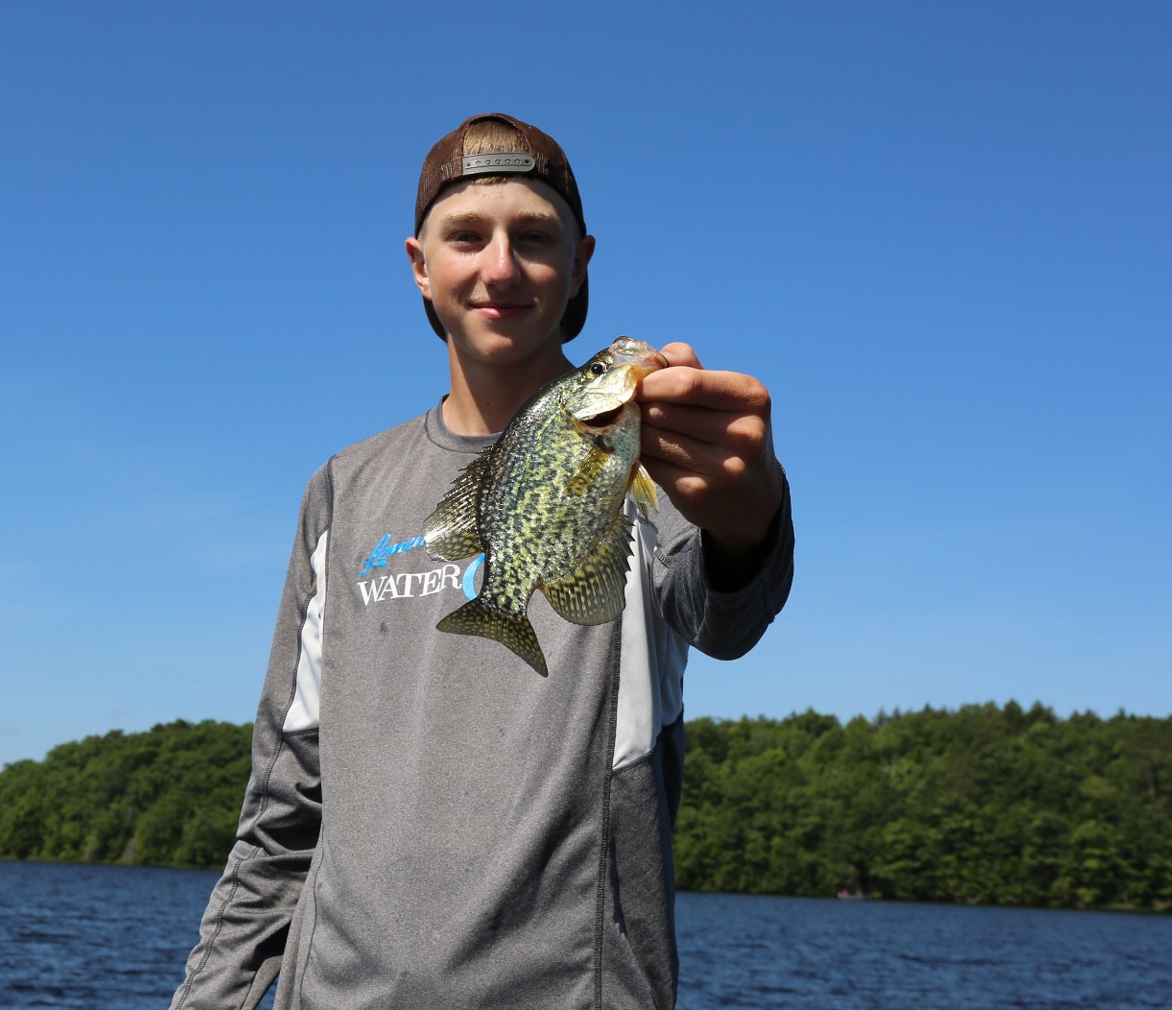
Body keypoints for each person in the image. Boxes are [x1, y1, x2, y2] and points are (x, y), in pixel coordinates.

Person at [168, 113, 794, 1010]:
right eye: (468, 236)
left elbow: (724, 615)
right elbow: (284, 800)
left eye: (534, 239)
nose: (500, 267)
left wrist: (749, 517)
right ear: (421, 265)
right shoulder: (345, 488)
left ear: (580, 263)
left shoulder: (646, 447)